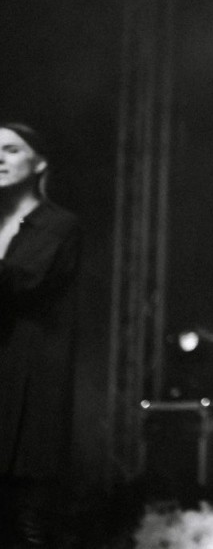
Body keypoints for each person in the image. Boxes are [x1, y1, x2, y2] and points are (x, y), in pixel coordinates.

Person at [0, 123, 82, 548]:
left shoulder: (59, 226)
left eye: (11, 149)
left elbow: (23, 282)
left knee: (23, 520)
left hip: (27, 385)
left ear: (39, 163)